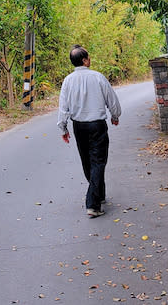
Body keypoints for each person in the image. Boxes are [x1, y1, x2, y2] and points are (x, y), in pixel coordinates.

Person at [57, 45, 122, 218]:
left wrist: (63, 127)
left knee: (88, 162)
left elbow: (63, 107)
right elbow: (112, 99)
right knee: (98, 162)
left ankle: (99, 195)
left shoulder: (68, 81)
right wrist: (115, 115)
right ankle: (93, 204)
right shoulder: (98, 77)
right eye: (88, 57)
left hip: (79, 126)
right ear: (85, 60)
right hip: (97, 125)